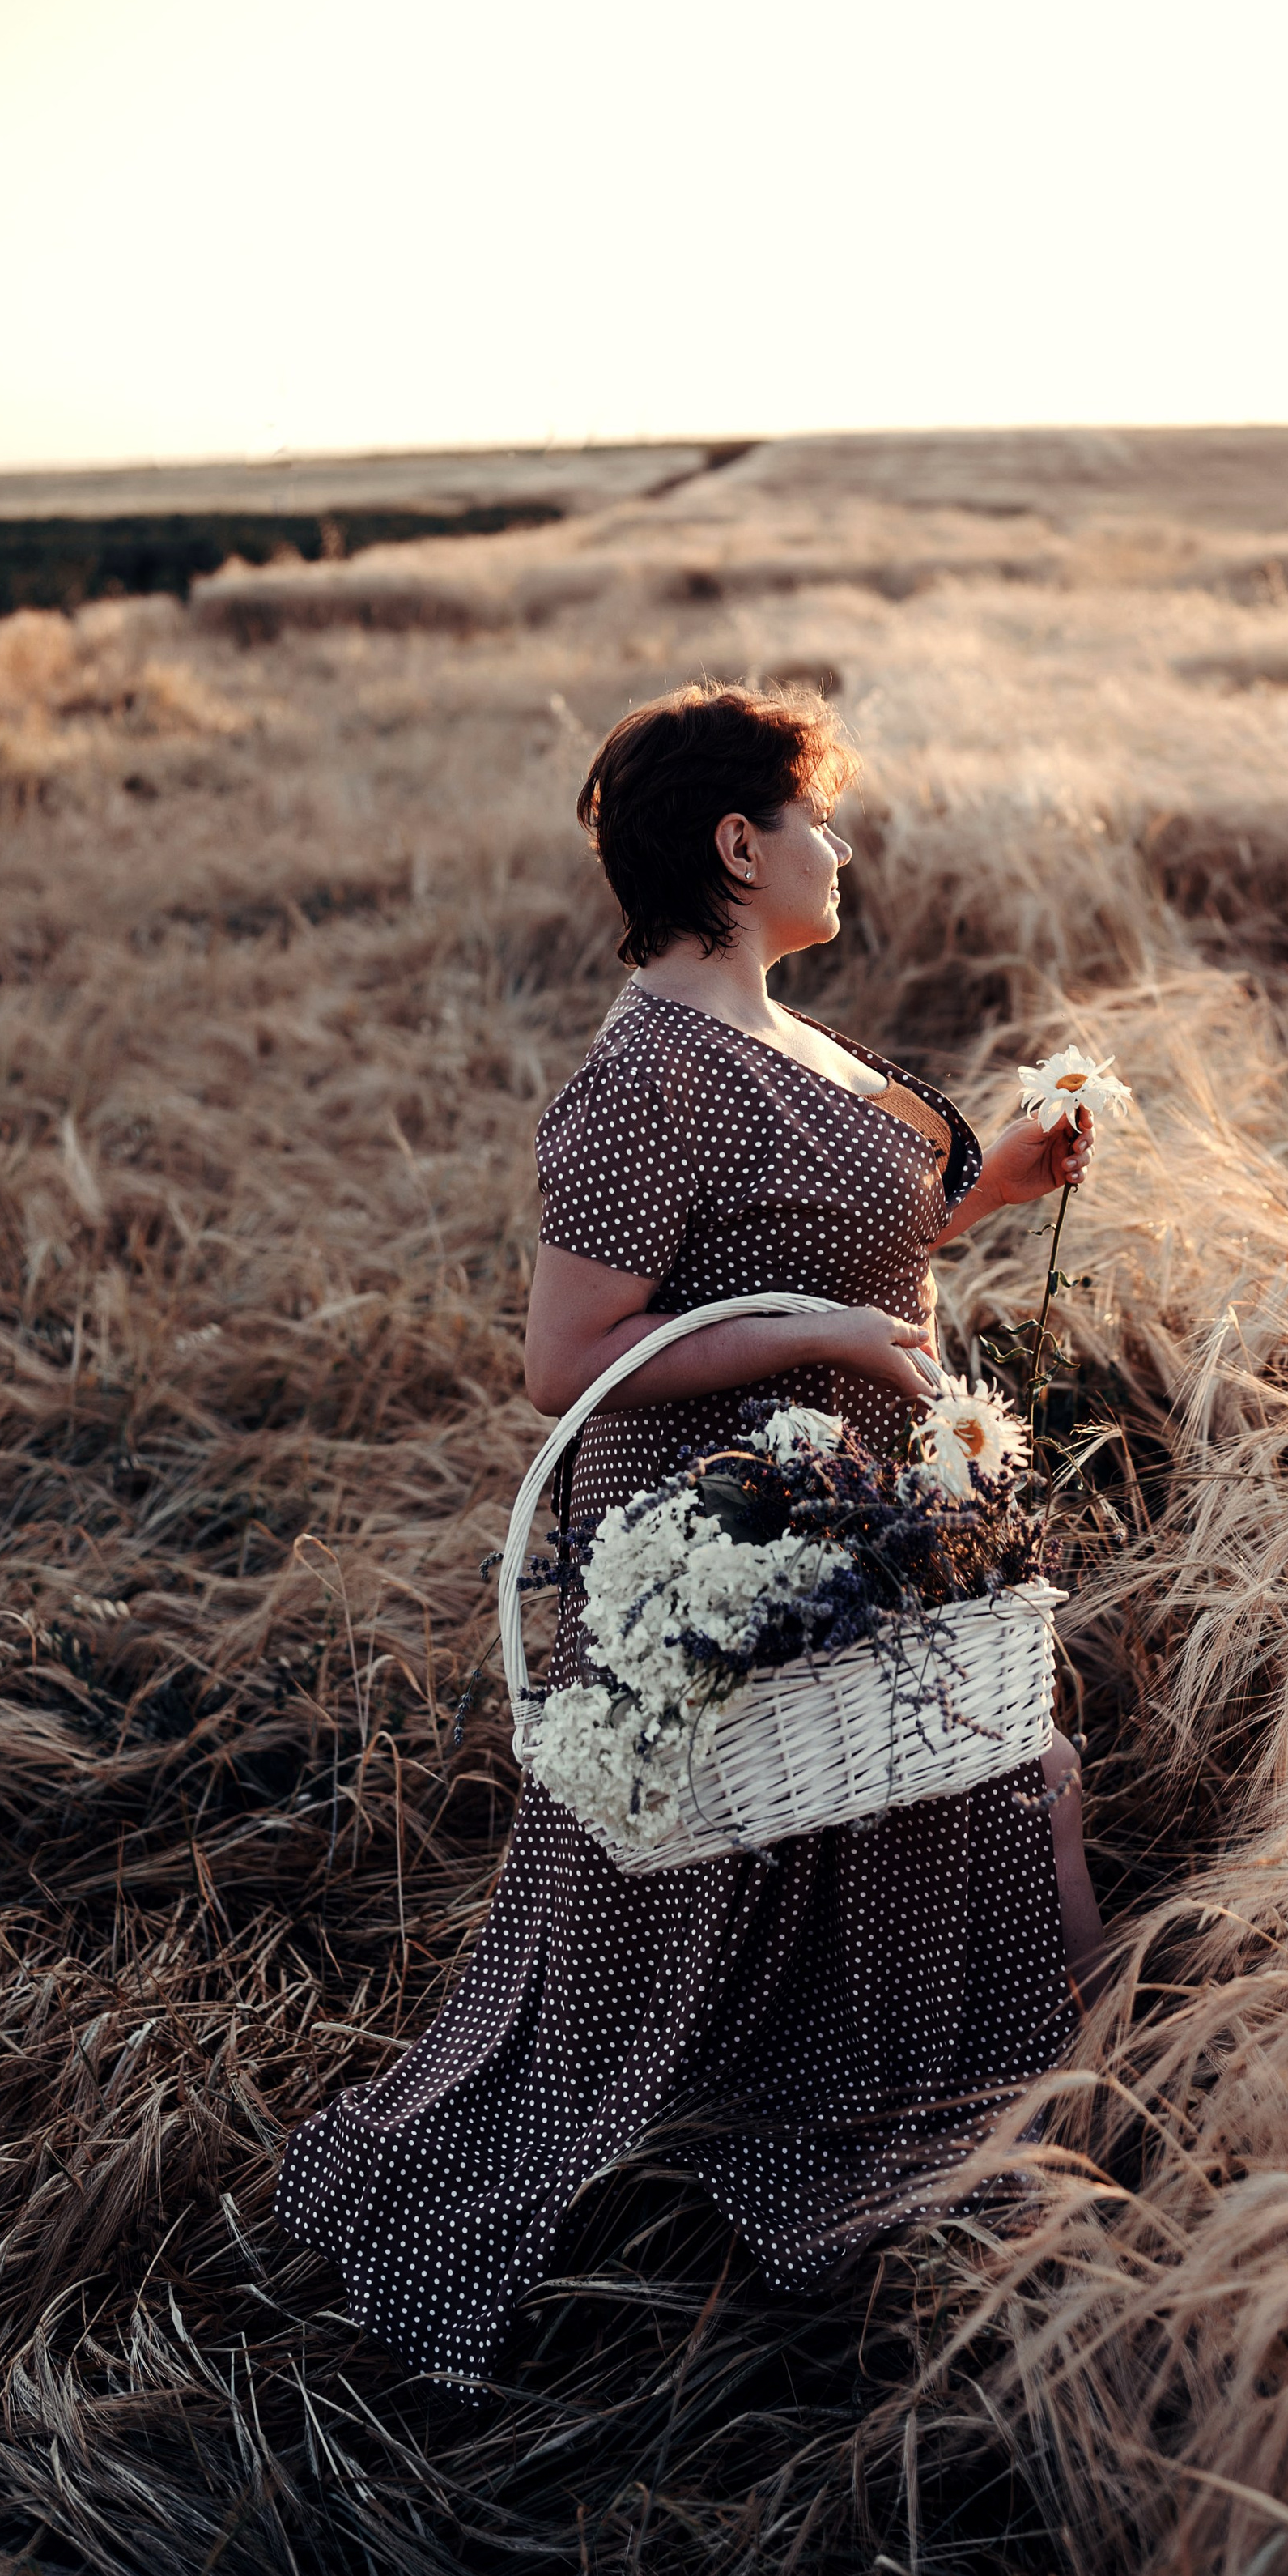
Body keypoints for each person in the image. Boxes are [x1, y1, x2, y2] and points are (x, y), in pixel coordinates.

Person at [276, 680, 1103, 2382]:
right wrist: (824, 1341)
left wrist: (990, 1189)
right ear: (738, 844)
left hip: (855, 1500)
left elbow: (825, 1232)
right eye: (818, 818)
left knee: (995, 1792)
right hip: (723, 1539)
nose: (843, 846)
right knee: (726, 1879)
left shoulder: (784, 1036)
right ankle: (1068, 2136)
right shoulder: (640, 1082)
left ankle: (1051, 2116)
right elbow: (565, 1361)